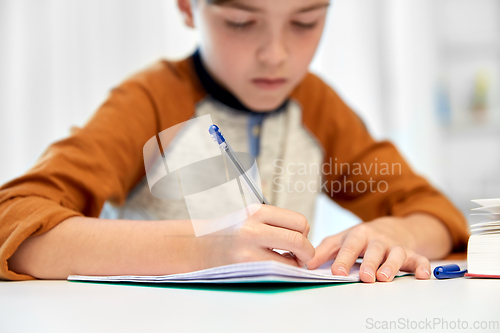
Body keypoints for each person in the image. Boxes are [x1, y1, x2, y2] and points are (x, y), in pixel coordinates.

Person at [0, 0, 468, 283]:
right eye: (242, 21)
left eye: (305, 22)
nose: (276, 54)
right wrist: (203, 248)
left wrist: (397, 234)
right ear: (188, 7)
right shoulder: (150, 101)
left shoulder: (316, 104)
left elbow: (435, 213)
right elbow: (12, 223)